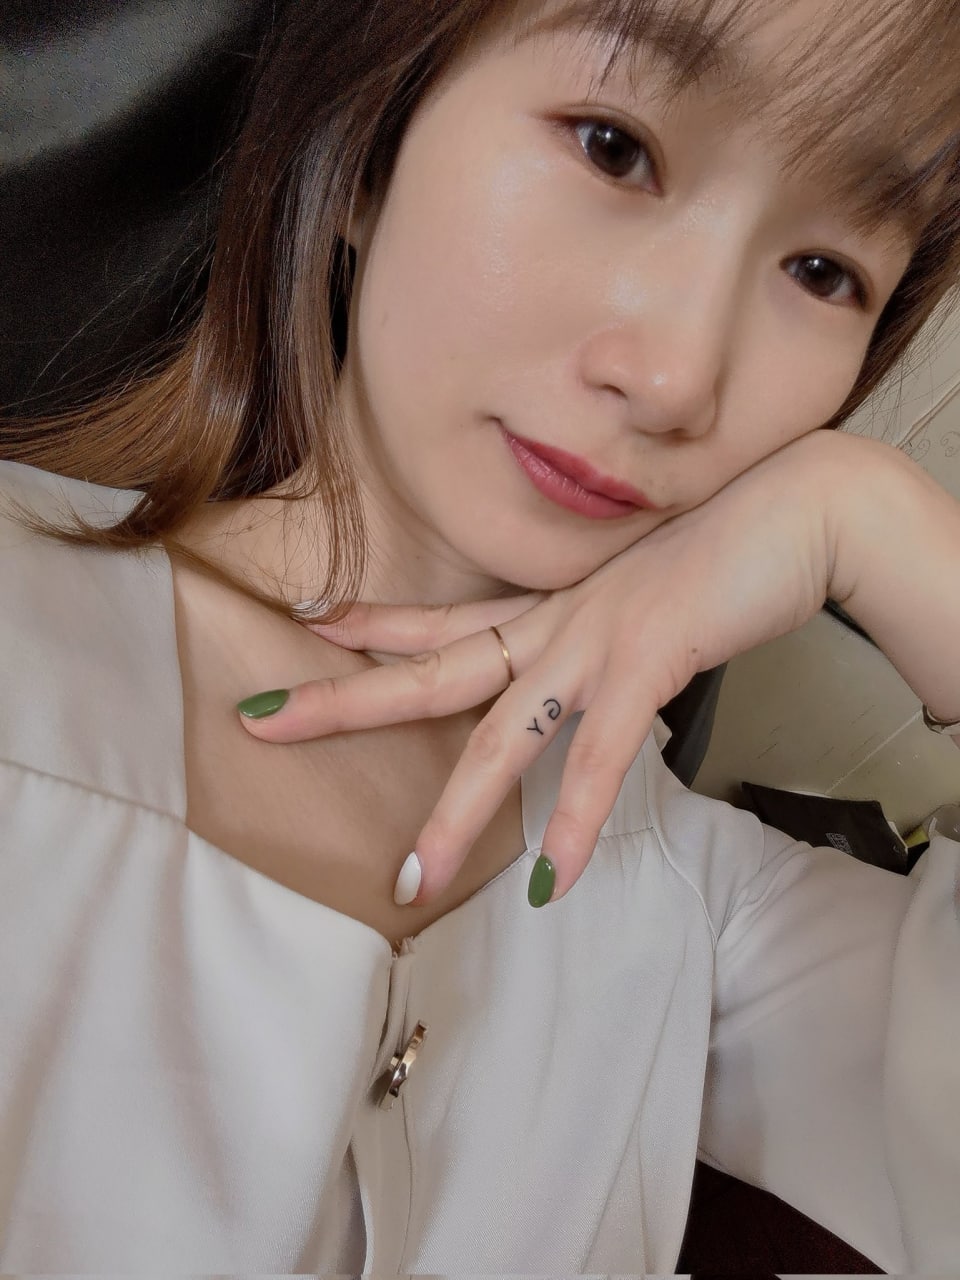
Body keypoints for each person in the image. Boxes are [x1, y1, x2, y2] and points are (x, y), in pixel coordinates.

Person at [1, 0, 959, 1270]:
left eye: (825, 272)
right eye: (613, 147)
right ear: (369, 135)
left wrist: (876, 521)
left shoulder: (686, 897)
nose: (676, 377)